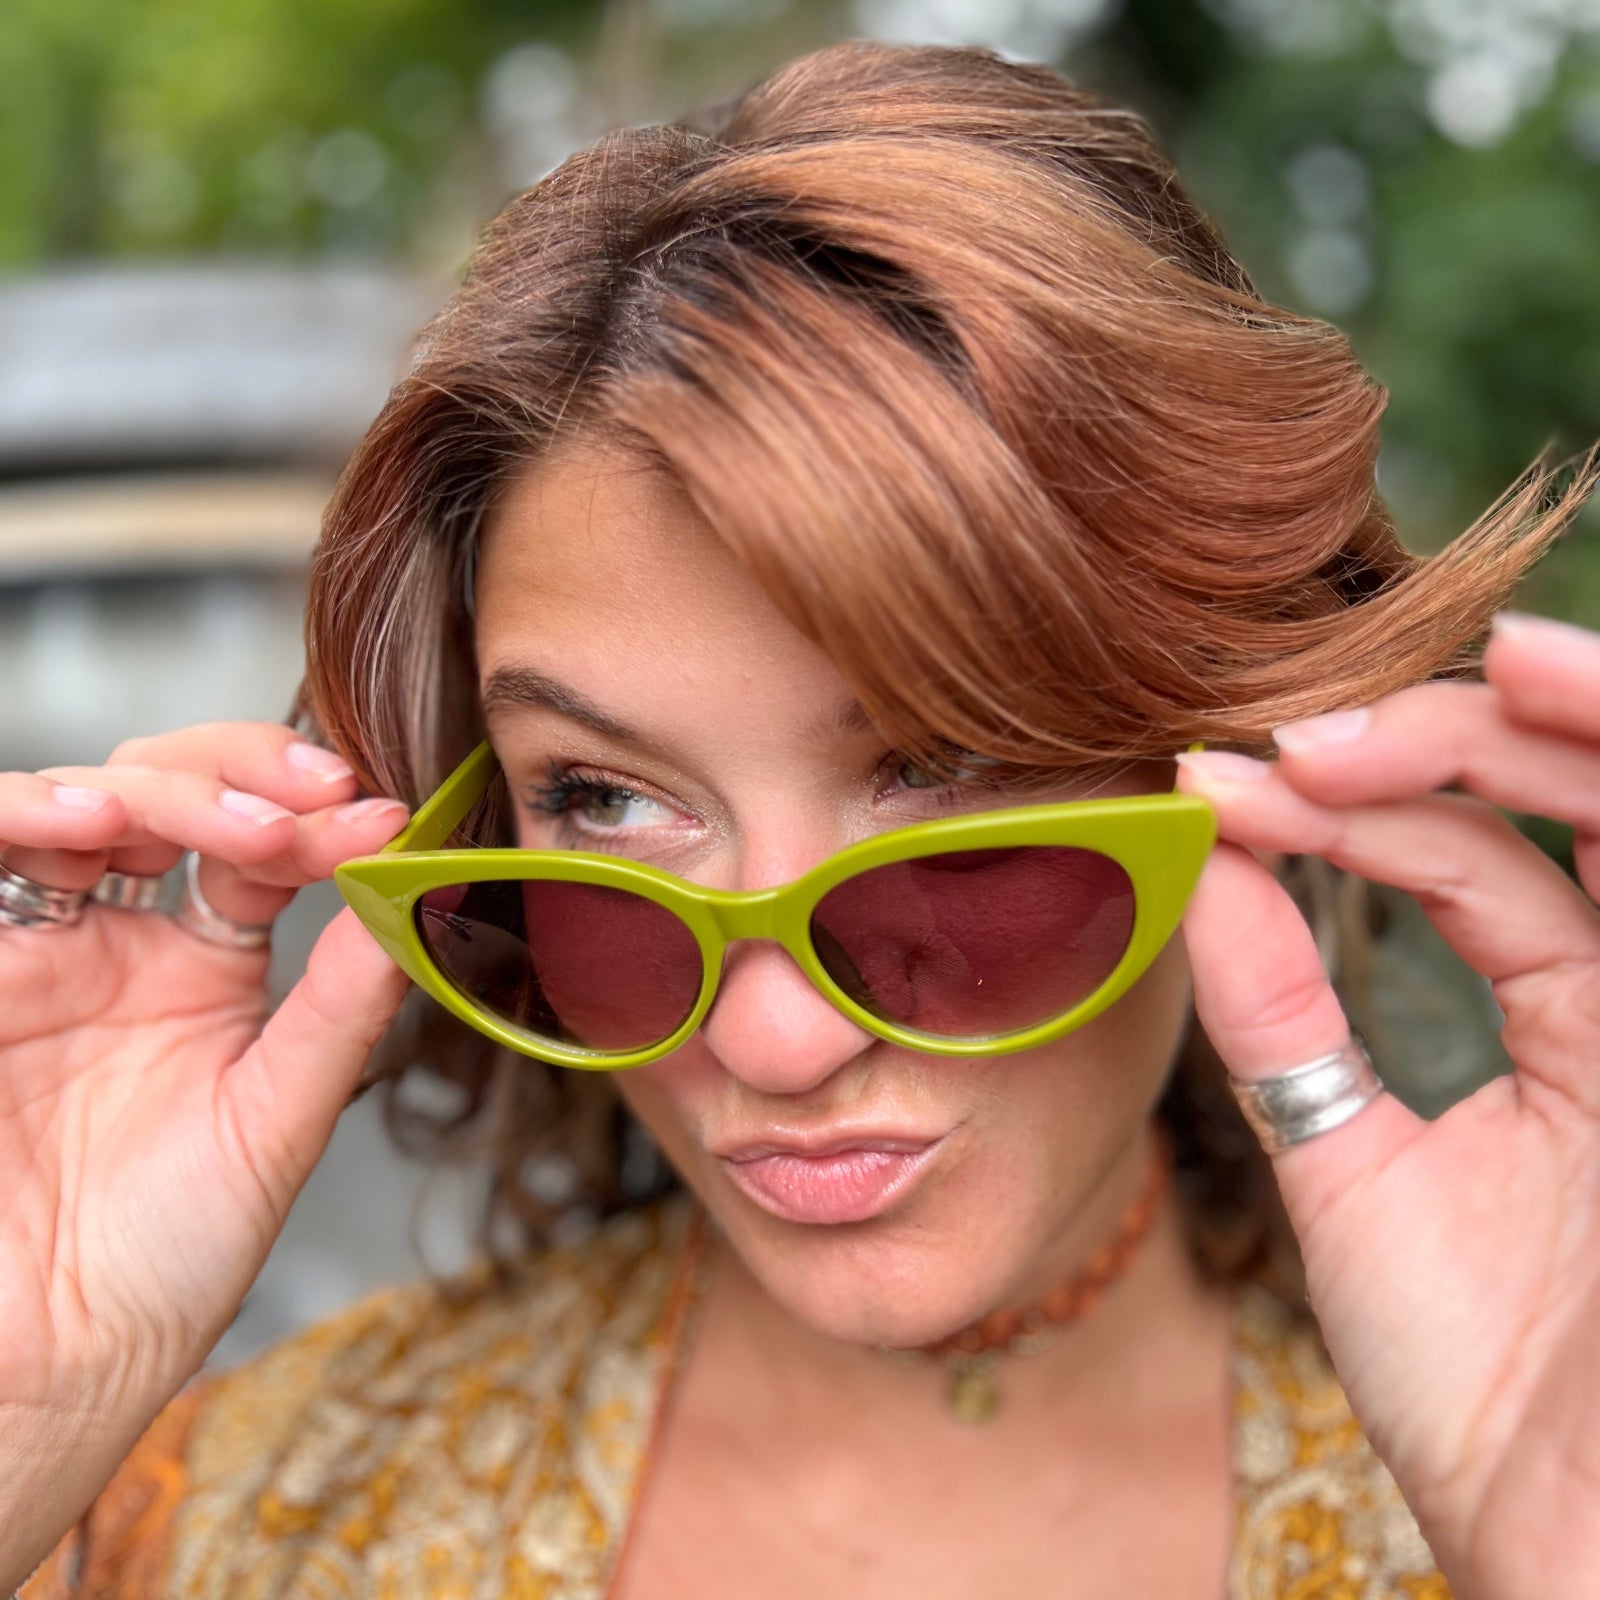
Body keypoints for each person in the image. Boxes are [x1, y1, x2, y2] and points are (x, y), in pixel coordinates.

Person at [3, 39, 1597, 1600]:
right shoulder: (241, 1519)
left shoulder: (1518, 1474)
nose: (773, 1045)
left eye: (947, 760)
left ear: (1219, 750)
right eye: (605, 798)